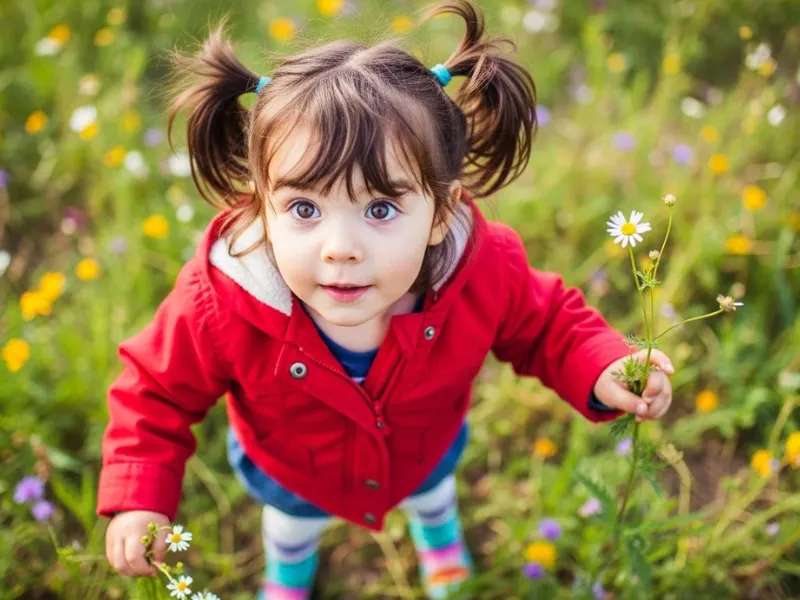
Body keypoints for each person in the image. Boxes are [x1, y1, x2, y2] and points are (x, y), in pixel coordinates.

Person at [99, 1, 674, 598]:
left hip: (424, 450)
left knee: (433, 494)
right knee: (291, 526)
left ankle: (440, 538)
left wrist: (601, 362)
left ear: (440, 213)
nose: (339, 248)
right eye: (303, 209)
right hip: (295, 471)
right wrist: (139, 495)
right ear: (260, 204)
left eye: (380, 209)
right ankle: (290, 572)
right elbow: (155, 392)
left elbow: (547, 323)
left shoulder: (480, 269)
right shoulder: (220, 300)